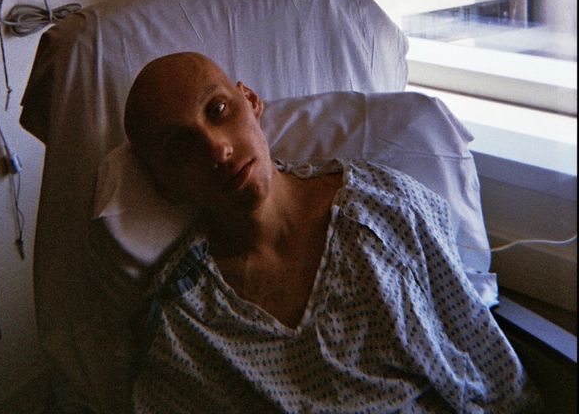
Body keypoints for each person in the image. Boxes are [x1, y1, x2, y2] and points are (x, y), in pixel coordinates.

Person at [123, 52, 539, 413]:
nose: (217, 148)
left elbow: (495, 375)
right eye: (181, 147)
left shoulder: (389, 208)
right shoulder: (183, 323)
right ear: (164, 186)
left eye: (218, 110)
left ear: (250, 100)